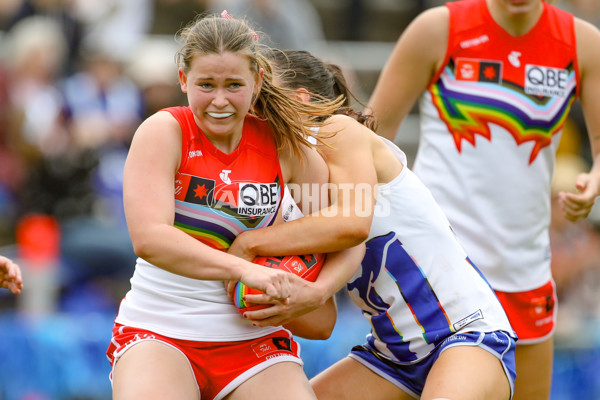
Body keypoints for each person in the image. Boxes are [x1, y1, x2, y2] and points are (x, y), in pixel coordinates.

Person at [227, 49, 518, 400]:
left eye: (255, 93)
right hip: (392, 359)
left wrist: (248, 244)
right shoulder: (287, 194)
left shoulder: (337, 130)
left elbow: (353, 223)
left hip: (465, 335)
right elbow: (322, 324)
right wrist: (268, 295)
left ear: (298, 100)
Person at [105, 13, 363, 400]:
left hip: (253, 344)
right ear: (183, 79)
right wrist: (246, 267)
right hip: (159, 331)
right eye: (205, 85)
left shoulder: (284, 147)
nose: (220, 101)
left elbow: (350, 230)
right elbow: (150, 239)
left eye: (234, 85)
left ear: (257, 81)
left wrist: (317, 291)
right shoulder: (164, 131)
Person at [365, 0, 600, 399]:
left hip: (524, 273)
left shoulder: (583, 43)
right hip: (437, 273)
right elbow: (369, 141)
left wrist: (594, 182)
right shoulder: (437, 29)